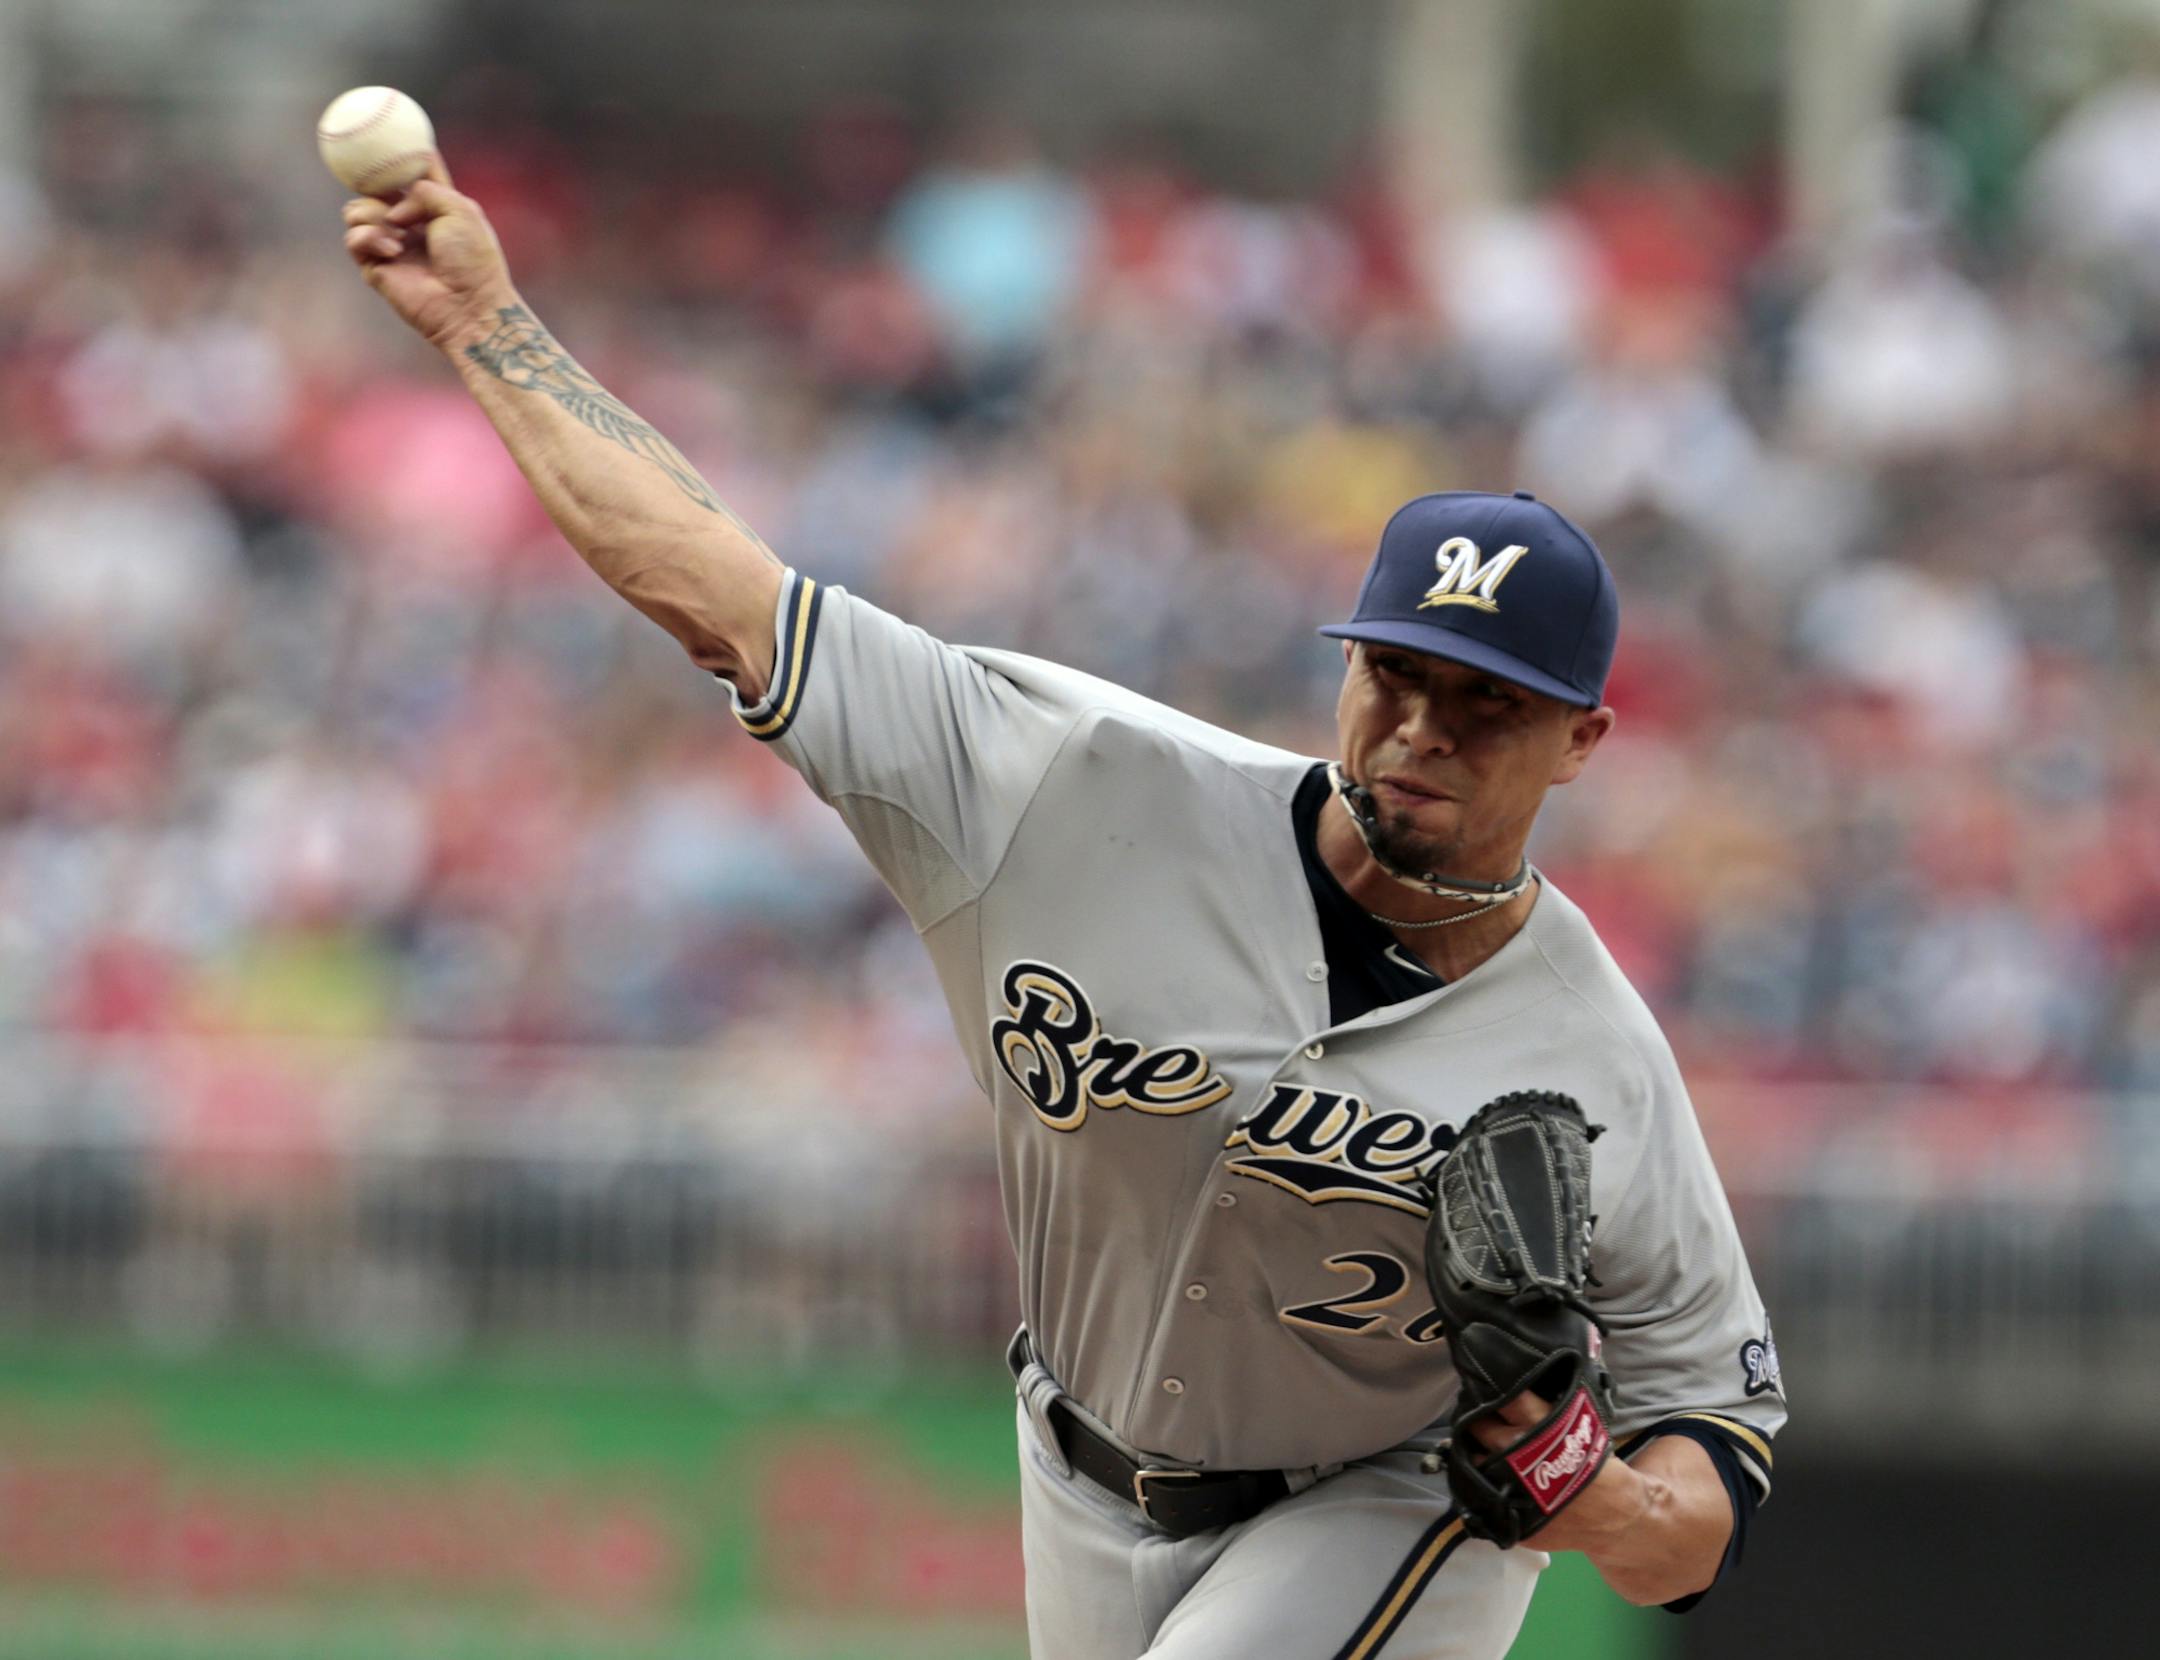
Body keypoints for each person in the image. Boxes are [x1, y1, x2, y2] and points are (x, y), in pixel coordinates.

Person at [342, 160, 1784, 1660]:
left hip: (1392, 1500)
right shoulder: (1068, 790)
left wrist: (1592, 1497)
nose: (1422, 727)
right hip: (1076, 1472)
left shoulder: (1592, 1051)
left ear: (1582, 742)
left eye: (1487, 703)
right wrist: (487, 326)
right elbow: (720, 589)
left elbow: (1715, 1466)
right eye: (1398, 674)